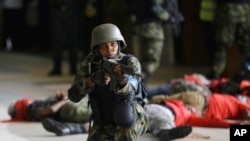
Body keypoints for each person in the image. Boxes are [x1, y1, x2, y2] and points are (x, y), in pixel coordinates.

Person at [67, 23, 149, 141]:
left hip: (130, 119)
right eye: (103, 46)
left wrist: (121, 80)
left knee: (124, 112)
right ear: (97, 48)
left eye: (113, 44)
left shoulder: (130, 62)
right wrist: (92, 80)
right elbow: (73, 96)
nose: (109, 49)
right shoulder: (90, 63)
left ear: (119, 44)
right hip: (103, 120)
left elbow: (132, 89)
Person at [125, 0, 184, 83]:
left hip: (138, 27)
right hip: (152, 28)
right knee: (150, 63)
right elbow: (155, 8)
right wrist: (171, 18)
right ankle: (133, 86)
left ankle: (135, 87)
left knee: (141, 62)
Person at [2, 91, 91, 136]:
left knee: (97, 116)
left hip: (69, 109)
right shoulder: (30, 110)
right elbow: (49, 111)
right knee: (97, 113)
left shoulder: (31, 107)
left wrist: (60, 98)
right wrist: (63, 101)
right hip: (68, 109)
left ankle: (70, 128)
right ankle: (73, 128)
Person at [207, 0, 250, 79]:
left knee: (222, 44)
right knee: (246, 45)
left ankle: (217, 73)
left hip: (229, 8)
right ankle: (247, 72)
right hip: (245, 8)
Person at [48, 0, 83, 76]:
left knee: (72, 40)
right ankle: (57, 67)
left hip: (71, 10)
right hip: (56, 11)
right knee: (57, 41)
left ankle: (73, 67)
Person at [199, 0, 217, 65]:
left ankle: (217, 69)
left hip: (217, 18)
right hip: (205, 17)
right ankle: (214, 67)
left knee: (217, 46)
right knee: (209, 45)